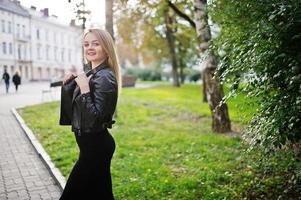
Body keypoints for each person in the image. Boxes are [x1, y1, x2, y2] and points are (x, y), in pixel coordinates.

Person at [59, 28, 121, 200]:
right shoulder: (91, 73)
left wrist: (85, 89)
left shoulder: (105, 77)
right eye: (86, 44)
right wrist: (69, 85)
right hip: (90, 147)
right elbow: (76, 111)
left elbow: (96, 118)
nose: (90, 47)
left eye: (96, 43)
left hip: (96, 148)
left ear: (106, 48)